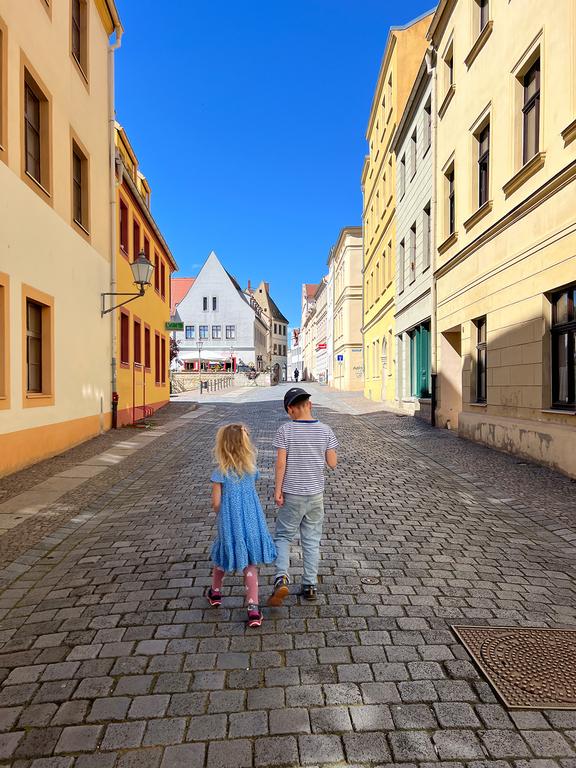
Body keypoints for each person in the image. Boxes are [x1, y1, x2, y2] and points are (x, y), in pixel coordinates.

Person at [267, 388, 338, 606]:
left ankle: (281, 577)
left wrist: (277, 490)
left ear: (290, 409)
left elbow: (281, 463)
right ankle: (309, 585)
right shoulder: (326, 430)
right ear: (310, 405)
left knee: (283, 536)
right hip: (315, 494)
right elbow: (333, 463)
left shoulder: (285, 430)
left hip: (292, 494)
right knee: (311, 539)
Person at [208, 424, 276, 627]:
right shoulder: (250, 470)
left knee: (222, 556)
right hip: (252, 520)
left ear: (222, 446)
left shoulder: (219, 472)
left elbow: (216, 504)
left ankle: (216, 593)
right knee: (250, 563)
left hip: (231, 521)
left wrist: (223, 512)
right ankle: (253, 608)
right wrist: (244, 433)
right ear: (245, 445)